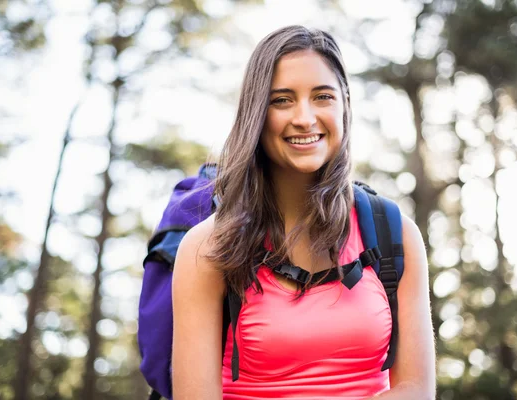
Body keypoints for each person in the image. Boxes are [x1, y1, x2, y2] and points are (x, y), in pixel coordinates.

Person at [171, 25, 435, 399]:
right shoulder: (208, 248)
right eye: (282, 100)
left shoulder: (395, 234)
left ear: (344, 104)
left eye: (322, 96)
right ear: (256, 114)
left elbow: (416, 390)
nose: (305, 118)